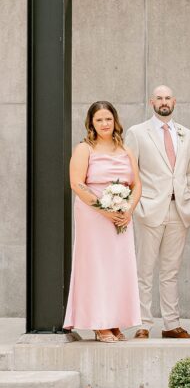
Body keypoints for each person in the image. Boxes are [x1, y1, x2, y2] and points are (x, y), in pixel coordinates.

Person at [123, 85, 190, 339]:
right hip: (149, 209)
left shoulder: (187, 134)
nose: (164, 102)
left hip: (179, 210)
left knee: (171, 271)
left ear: (174, 101)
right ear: (151, 101)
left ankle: (171, 324)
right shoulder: (137, 132)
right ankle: (143, 323)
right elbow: (129, 172)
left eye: (168, 98)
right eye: (159, 98)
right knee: (144, 269)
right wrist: (137, 205)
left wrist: (188, 200)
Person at [63, 101, 142, 342]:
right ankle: (99, 323)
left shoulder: (125, 149)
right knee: (97, 267)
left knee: (119, 267)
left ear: (115, 121)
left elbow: (137, 183)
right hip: (93, 214)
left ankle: (115, 320)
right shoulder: (84, 149)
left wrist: (128, 209)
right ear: (91, 123)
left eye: (108, 119)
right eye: (99, 120)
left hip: (121, 215)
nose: (104, 124)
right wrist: (104, 210)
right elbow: (76, 183)